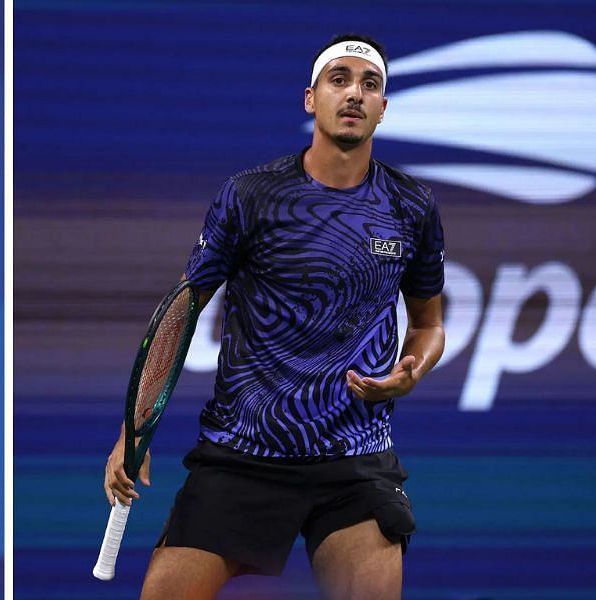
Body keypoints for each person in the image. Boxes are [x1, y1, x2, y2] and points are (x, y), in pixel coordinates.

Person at [103, 34, 446, 599]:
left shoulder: (412, 207)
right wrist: (131, 430)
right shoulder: (250, 195)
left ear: (384, 108)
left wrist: (414, 369)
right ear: (311, 99)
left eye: (370, 85)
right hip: (243, 452)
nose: (355, 94)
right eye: (340, 80)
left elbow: (428, 325)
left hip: (354, 458)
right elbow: (181, 313)